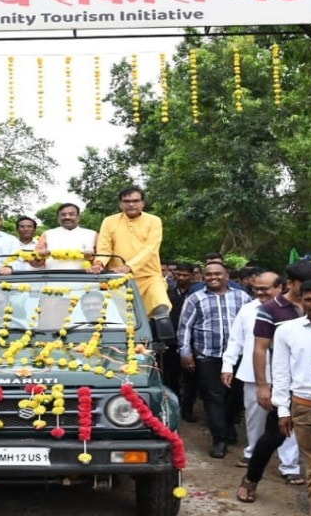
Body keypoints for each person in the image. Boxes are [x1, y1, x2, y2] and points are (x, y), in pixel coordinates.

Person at [240, 279, 311, 515]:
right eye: (309, 299)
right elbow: (281, 372)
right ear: (301, 301)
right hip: (304, 407)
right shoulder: (287, 331)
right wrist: (282, 410)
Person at [245, 261, 311, 484]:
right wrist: (263, 386)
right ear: (291, 283)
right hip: (282, 382)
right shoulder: (270, 309)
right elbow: (260, 348)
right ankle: (251, 479)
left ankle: (292, 469)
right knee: (275, 433)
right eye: (305, 285)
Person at [221, 271, 299, 475]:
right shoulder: (247, 310)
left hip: (289, 377)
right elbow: (235, 339)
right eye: (256, 288)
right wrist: (228, 365)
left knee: (288, 420)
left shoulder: (296, 311)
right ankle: (252, 454)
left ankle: (289, 466)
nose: (260, 292)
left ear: (281, 287)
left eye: (265, 289)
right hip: (253, 375)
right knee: (254, 419)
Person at [177, 261, 252, 459]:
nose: (213, 277)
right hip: (207, 356)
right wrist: (185, 352)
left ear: (227, 275)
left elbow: (251, 325)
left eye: (217, 274)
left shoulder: (242, 297)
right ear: (203, 277)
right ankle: (219, 438)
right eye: (208, 274)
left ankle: (228, 425)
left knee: (235, 396)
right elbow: (185, 327)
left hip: (238, 356)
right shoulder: (195, 298)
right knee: (213, 397)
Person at [93, 187, 173, 339]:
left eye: (135, 201)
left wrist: (129, 266)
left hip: (150, 276)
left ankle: (160, 346)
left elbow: (151, 248)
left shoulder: (154, 221)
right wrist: (99, 263)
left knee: (161, 305)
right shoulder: (109, 221)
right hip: (119, 279)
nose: (131, 205)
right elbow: (104, 247)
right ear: (120, 204)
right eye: (127, 201)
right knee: (126, 323)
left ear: (143, 203)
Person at [167, 262, 197, 421]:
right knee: (171, 377)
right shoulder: (167, 293)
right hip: (170, 341)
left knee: (191, 379)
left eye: (185, 275)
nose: (181, 278)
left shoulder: (196, 294)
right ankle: (174, 407)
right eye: (179, 274)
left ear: (192, 276)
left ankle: (188, 409)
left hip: (191, 343)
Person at [35, 203, 98, 270]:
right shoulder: (47, 234)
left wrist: (92, 257)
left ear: (78, 217)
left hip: (84, 278)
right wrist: (40, 256)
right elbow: (35, 263)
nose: (67, 217)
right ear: (58, 218)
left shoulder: (92, 234)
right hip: (52, 277)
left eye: (71, 214)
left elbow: (101, 259)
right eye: (63, 215)